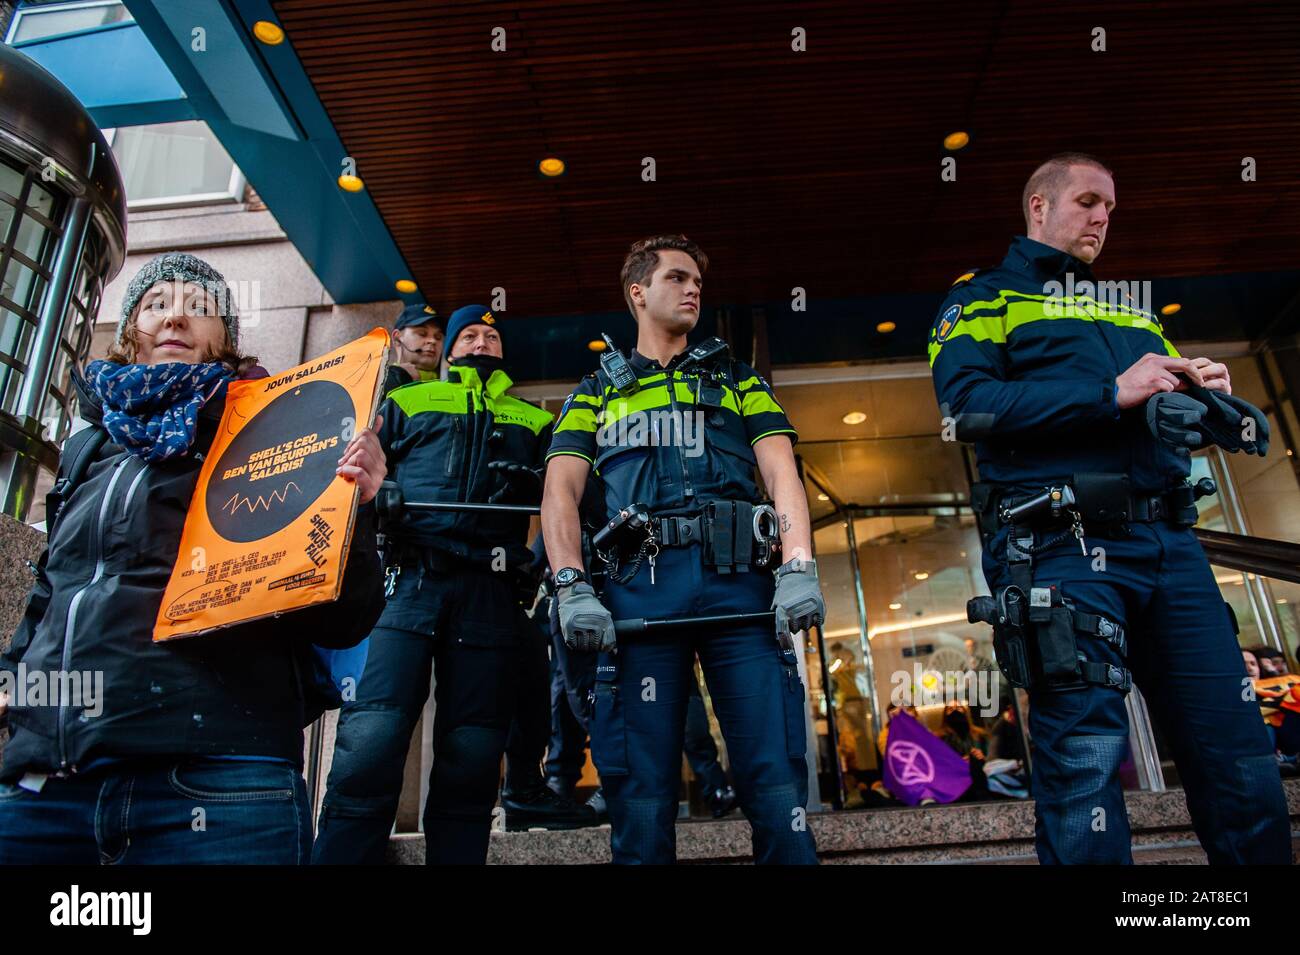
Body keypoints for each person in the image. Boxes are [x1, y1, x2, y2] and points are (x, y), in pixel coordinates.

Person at [930, 153, 1290, 864]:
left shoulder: (1129, 309)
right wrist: (1111, 391)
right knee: (1085, 764)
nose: (1102, 217)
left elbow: (1154, 400)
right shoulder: (980, 298)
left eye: (1110, 208)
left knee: (1241, 754)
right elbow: (967, 405)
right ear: (1039, 207)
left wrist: (1203, 394)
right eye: (1088, 201)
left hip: (1172, 547)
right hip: (1062, 549)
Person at [0, 252, 387, 864]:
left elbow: (341, 616)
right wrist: (14, 686)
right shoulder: (88, 446)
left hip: (222, 780)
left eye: (199, 307)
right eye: (156, 305)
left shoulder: (277, 429)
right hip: (51, 784)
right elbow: (52, 592)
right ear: (132, 332)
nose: (176, 317)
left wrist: (355, 507)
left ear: (225, 337)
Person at [541, 234, 823, 864]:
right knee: (641, 805)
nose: (693, 287)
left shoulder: (736, 381)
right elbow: (559, 490)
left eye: (697, 279)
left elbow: (782, 474)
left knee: (778, 790)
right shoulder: (596, 391)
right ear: (637, 293)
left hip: (741, 598)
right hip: (640, 606)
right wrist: (570, 584)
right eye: (677, 277)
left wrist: (799, 566)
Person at [313, 304, 554, 865]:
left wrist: (541, 566)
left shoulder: (534, 419)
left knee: (472, 755)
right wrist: (383, 498)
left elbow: (563, 499)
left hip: (490, 594)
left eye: (490, 336)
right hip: (407, 580)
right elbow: (355, 474)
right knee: (370, 742)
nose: (480, 342)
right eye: (467, 335)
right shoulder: (405, 400)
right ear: (448, 351)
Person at [386, 303, 445, 393]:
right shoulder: (377, 383)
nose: (433, 341)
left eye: (438, 337)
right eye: (422, 334)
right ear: (397, 338)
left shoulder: (453, 384)